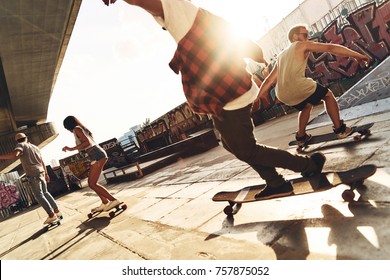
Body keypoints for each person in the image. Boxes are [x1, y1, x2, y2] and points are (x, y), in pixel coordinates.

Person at [103, 0, 327, 199]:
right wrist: (253, 51)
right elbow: (227, 34)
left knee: (245, 149)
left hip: (230, 96)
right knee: (232, 145)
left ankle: (307, 165)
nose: (162, 24)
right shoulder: (194, 18)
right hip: (224, 97)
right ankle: (276, 182)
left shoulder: (178, 10)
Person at [255, 24, 371, 146]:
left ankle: (301, 136)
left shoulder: (281, 55)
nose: (307, 38)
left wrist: (257, 97)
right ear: (295, 37)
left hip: (282, 94)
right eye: (305, 35)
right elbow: (330, 48)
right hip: (298, 85)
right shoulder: (301, 45)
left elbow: (269, 80)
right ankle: (340, 129)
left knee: (306, 106)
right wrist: (359, 56)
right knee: (328, 96)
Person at [0, 133, 62, 224]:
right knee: (45, 193)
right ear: (27, 138)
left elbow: (16, 154)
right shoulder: (35, 147)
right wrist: (46, 174)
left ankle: (52, 215)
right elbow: (42, 161)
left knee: (39, 195)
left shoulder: (20, 145)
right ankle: (57, 211)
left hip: (33, 174)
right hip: (41, 172)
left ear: (16, 141)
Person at [62, 116, 121, 212]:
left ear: (69, 125)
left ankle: (113, 200)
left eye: (67, 128)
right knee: (92, 183)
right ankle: (105, 202)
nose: (68, 130)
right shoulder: (80, 128)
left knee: (92, 183)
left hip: (97, 155)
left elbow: (87, 142)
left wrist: (71, 148)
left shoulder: (77, 129)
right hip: (95, 155)